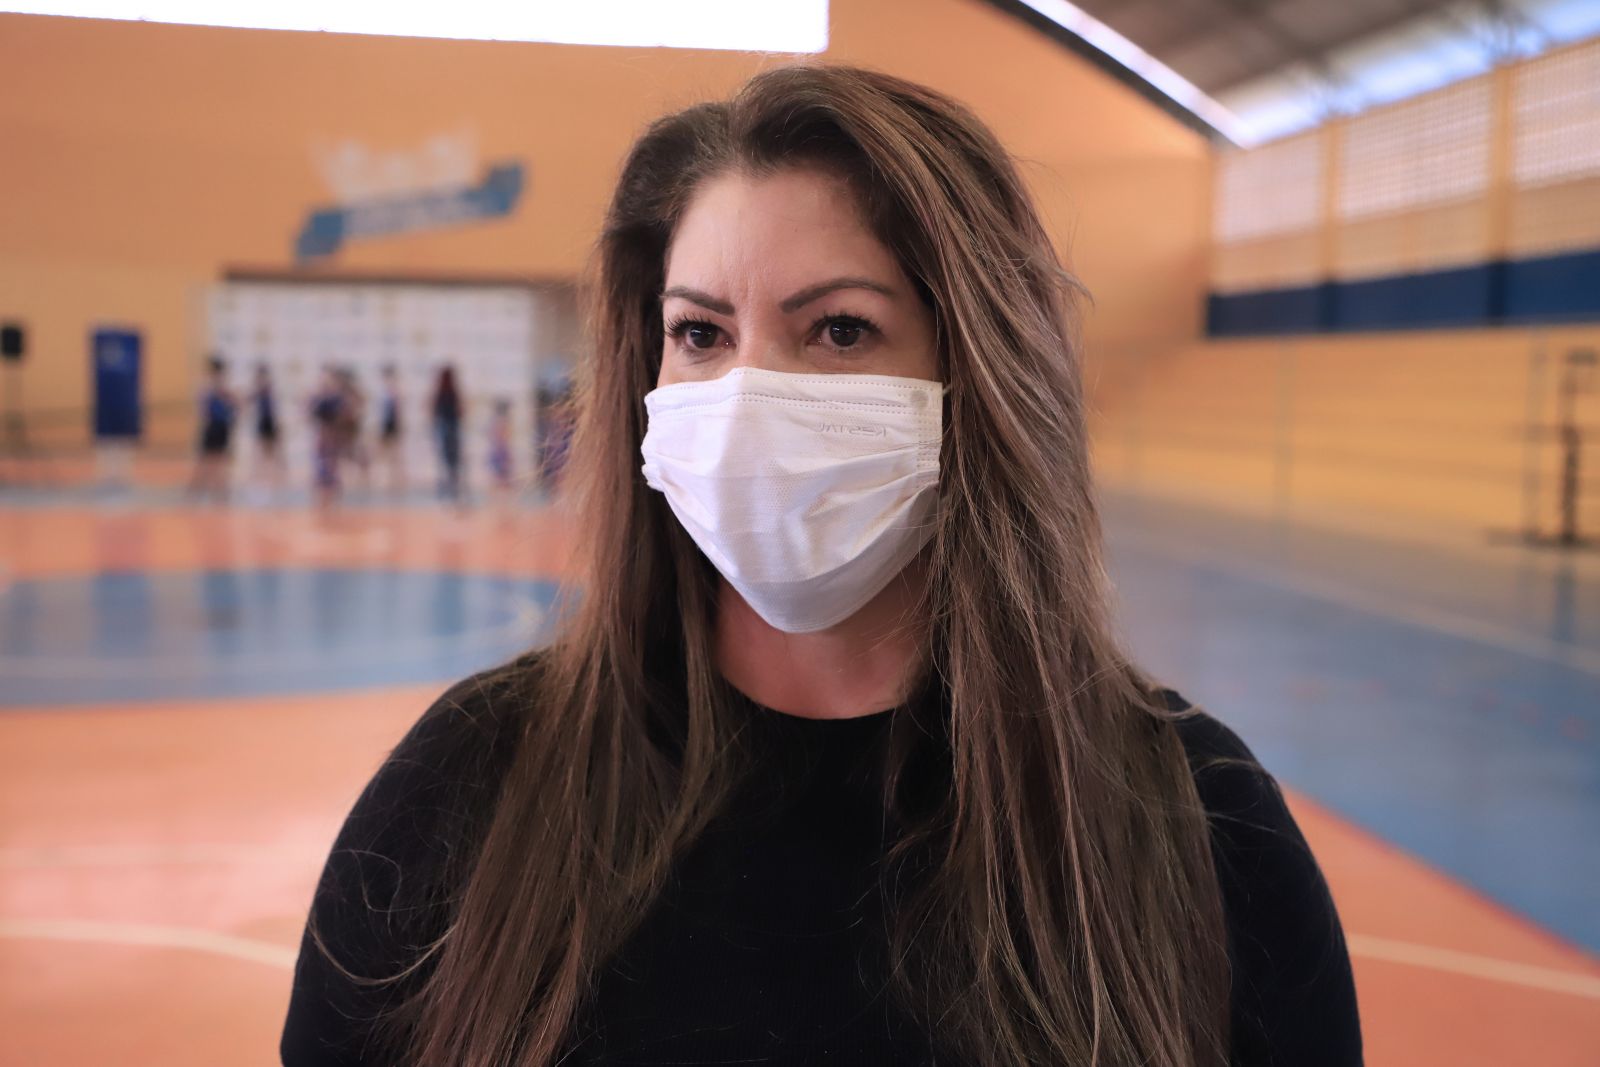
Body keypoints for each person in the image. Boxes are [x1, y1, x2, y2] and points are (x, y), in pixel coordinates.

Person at [282, 65, 1362, 1067]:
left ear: (977, 373)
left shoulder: (1194, 826)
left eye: (840, 330)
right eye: (701, 333)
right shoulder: (468, 786)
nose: (748, 396)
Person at [187, 356, 236, 502]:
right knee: (207, 460)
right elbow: (204, 408)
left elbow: (231, 405)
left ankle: (218, 492)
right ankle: (198, 491)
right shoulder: (210, 386)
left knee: (218, 460)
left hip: (220, 426)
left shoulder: (219, 387)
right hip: (215, 426)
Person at [308, 367, 345, 511]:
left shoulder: (337, 398)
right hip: (322, 434)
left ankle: (334, 497)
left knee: (332, 466)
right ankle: (321, 498)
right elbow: (311, 412)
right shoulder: (318, 397)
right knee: (320, 466)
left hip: (332, 435)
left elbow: (341, 416)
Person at [430, 364, 464, 505]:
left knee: (444, 462)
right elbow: (460, 411)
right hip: (452, 428)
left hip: (443, 429)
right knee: (453, 462)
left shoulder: (440, 392)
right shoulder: (453, 392)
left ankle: (444, 492)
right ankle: (453, 490)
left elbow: (434, 412)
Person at [250, 363, 285, 495]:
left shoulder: (270, 390)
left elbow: (276, 409)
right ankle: (261, 482)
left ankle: (277, 483)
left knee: (275, 454)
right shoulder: (258, 390)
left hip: (271, 422)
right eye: (260, 377)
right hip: (262, 423)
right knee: (260, 453)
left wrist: (279, 425)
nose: (262, 379)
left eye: (264, 376)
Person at [376, 364, 405, 497]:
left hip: (392, 425)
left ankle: (396, 478)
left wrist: (398, 425)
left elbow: (397, 412)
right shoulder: (383, 393)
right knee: (385, 453)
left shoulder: (395, 392)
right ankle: (387, 477)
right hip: (385, 425)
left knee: (395, 452)